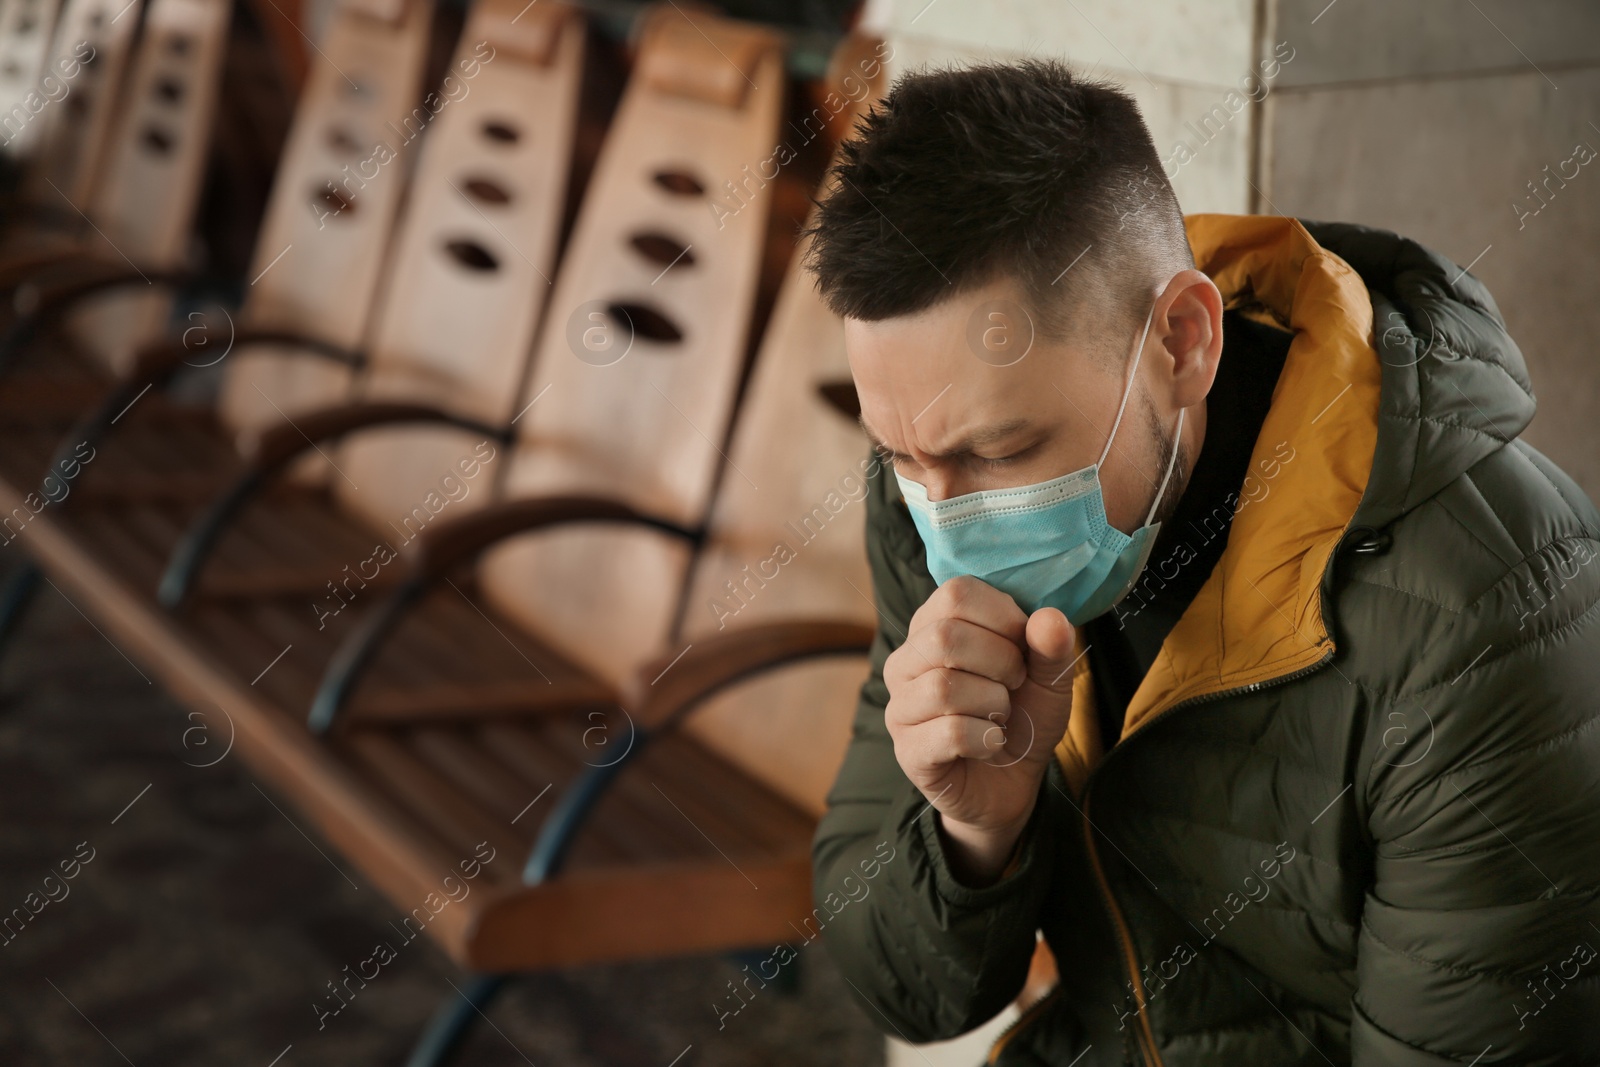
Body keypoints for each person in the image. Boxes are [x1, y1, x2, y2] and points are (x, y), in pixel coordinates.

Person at [806, 58, 1600, 1066]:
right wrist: (973, 837)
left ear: (1183, 340)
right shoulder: (926, 493)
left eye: (1002, 452)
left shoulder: (1493, 613)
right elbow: (909, 996)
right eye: (902, 457)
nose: (949, 520)